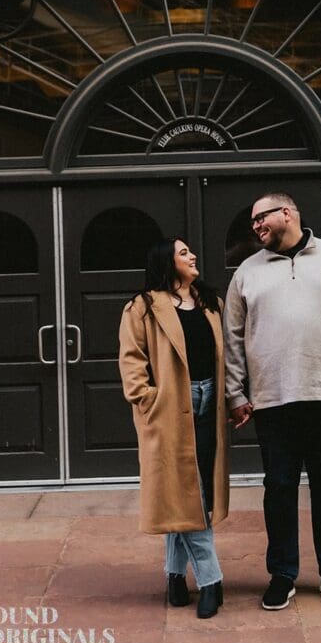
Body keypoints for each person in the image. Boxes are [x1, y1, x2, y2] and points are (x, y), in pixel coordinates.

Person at [223, 191, 321, 611]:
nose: (255, 226)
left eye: (261, 218)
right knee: (278, 488)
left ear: (288, 213)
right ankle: (282, 574)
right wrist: (236, 391)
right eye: (253, 221)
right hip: (273, 398)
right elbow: (232, 338)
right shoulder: (247, 273)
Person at [119, 237, 229, 619]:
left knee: (180, 494)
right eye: (184, 253)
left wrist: (230, 398)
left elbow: (224, 355)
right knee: (189, 495)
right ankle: (211, 579)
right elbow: (132, 359)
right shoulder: (142, 307)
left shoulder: (209, 302)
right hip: (167, 410)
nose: (193, 256)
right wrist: (146, 398)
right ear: (168, 261)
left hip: (206, 404)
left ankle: (173, 577)